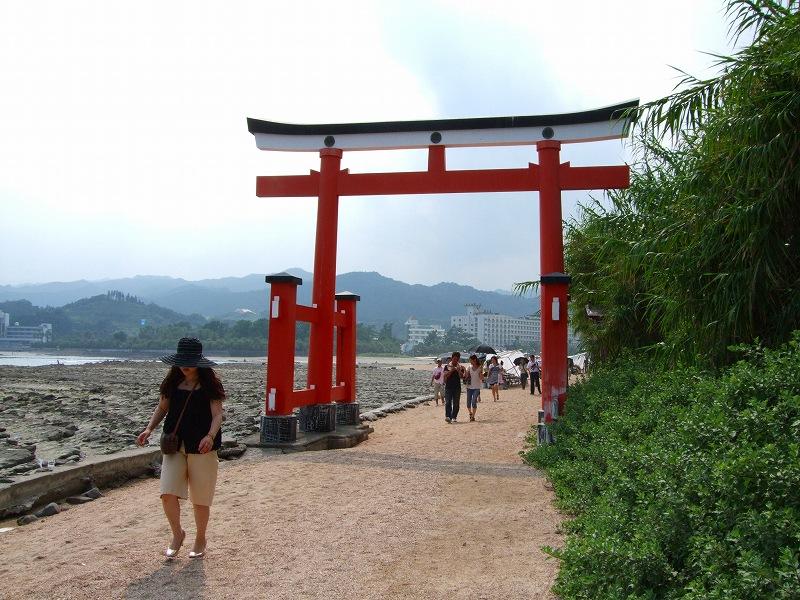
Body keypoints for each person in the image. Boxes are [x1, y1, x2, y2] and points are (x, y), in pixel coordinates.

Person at [136, 337, 225, 559]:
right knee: (167, 493)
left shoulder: (210, 385)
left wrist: (210, 436)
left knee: (200, 498)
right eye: (182, 360)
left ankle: (200, 538)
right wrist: (149, 429)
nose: (185, 365)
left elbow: (217, 415)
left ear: (199, 362)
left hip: (202, 446)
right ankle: (177, 534)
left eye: (190, 361)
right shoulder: (171, 383)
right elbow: (162, 408)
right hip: (174, 445)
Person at [443, 351, 465, 423]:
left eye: (457, 359)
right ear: (452, 358)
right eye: (454, 359)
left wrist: (459, 371)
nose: (456, 360)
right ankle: (448, 416)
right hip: (448, 387)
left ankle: (454, 416)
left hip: (457, 387)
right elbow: (445, 376)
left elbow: (462, 377)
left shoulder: (460, 367)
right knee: (448, 402)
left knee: (456, 403)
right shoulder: (447, 366)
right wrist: (451, 370)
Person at [465, 354, 484, 421]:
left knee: (473, 402)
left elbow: (481, 378)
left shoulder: (480, 368)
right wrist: (465, 372)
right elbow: (465, 376)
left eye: (470, 360)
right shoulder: (469, 367)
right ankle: (470, 413)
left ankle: (473, 416)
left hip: (477, 387)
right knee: (468, 403)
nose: (470, 361)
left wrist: (481, 372)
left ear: (474, 360)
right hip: (469, 387)